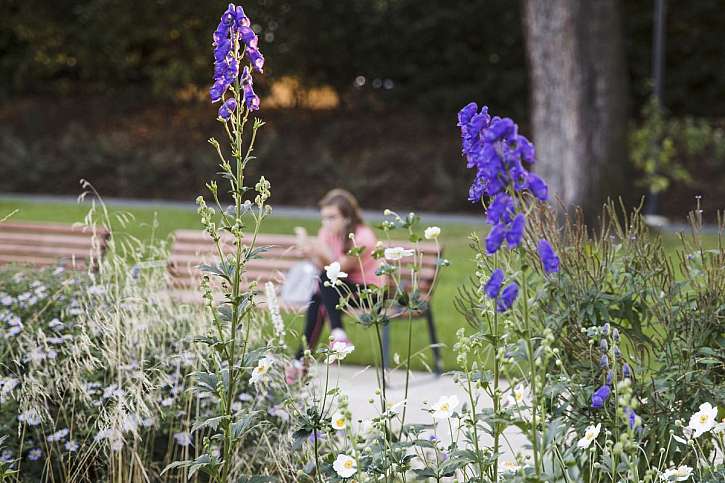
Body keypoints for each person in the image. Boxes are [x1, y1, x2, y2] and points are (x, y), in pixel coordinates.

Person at [287, 189, 383, 380]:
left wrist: (314, 251)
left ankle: (301, 360)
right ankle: (328, 343)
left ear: (347, 217)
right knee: (319, 299)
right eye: (324, 218)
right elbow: (327, 268)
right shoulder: (327, 233)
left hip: (369, 293)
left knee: (323, 286)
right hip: (340, 290)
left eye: (332, 217)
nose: (327, 223)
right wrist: (313, 252)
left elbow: (338, 269)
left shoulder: (362, 237)